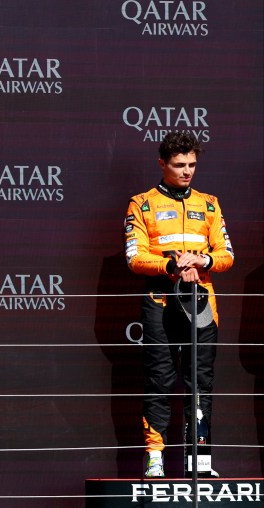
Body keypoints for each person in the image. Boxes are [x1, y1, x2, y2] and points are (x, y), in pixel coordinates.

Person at [124, 131, 234, 477]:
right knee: (160, 379)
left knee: (201, 382)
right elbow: (134, 257)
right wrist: (171, 265)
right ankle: (155, 458)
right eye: (179, 165)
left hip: (202, 303)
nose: (187, 171)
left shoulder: (210, 203)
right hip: (160, 300)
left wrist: (201, 261)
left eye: (192, 165)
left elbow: (227, 254)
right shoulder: (141, 203)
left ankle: (199, 462)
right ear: (162, 164)